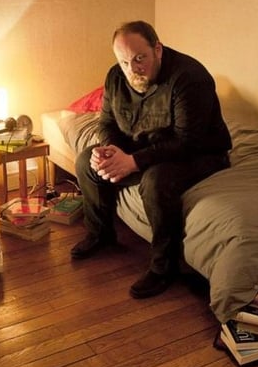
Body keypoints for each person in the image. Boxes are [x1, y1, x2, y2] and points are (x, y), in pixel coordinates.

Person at [70, 20, 232, 299]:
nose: (132, 69)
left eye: (139, 58)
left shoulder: (189, 77)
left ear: (157, 49)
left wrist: (133, 161)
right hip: (146, 145)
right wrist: (110, 150)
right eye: (124, 61)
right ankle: (101, 234)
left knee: (156, 180)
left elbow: (187, 142)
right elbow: (107, 121)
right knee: (87, 161)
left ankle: (164, 267)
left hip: (200, 153)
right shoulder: (116, 76)